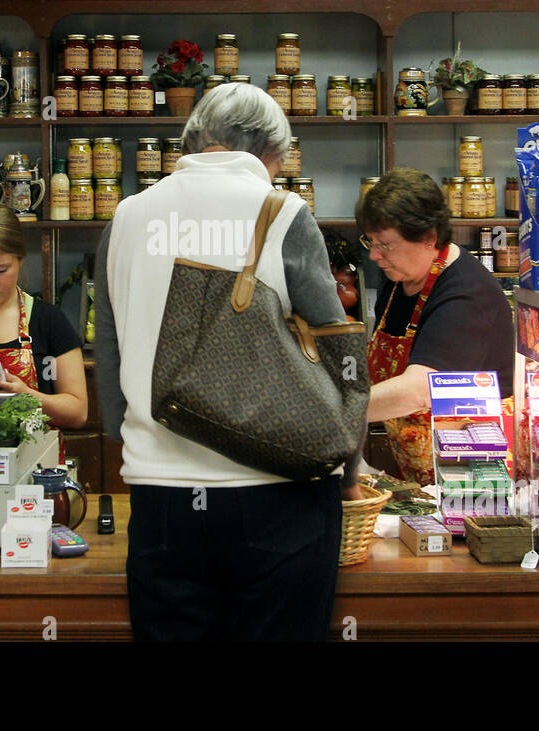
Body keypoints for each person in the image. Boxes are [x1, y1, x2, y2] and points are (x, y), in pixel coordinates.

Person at [94, 82, 361, 642]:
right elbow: (339, 351)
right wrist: (349, 464)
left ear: (192, 139)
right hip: (278, 493)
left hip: (161, 501)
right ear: (272, 153)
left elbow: (110, 349)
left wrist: (138, 442)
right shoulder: (284, 212)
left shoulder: (127, 216)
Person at [356, 168, 514, 484]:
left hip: (474, 475)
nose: (374, 255)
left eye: (385, 244)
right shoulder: (398, 279)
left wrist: (332, 414)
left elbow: (419, 390)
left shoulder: (468, 293)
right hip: (422, 470)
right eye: (370, 242)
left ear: (428, 238)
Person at [0, 202, 87, 430]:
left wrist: (28, 396)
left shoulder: (48, 320)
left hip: (36, 462)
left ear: (20, 260)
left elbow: (78, 413)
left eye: (1, 270)